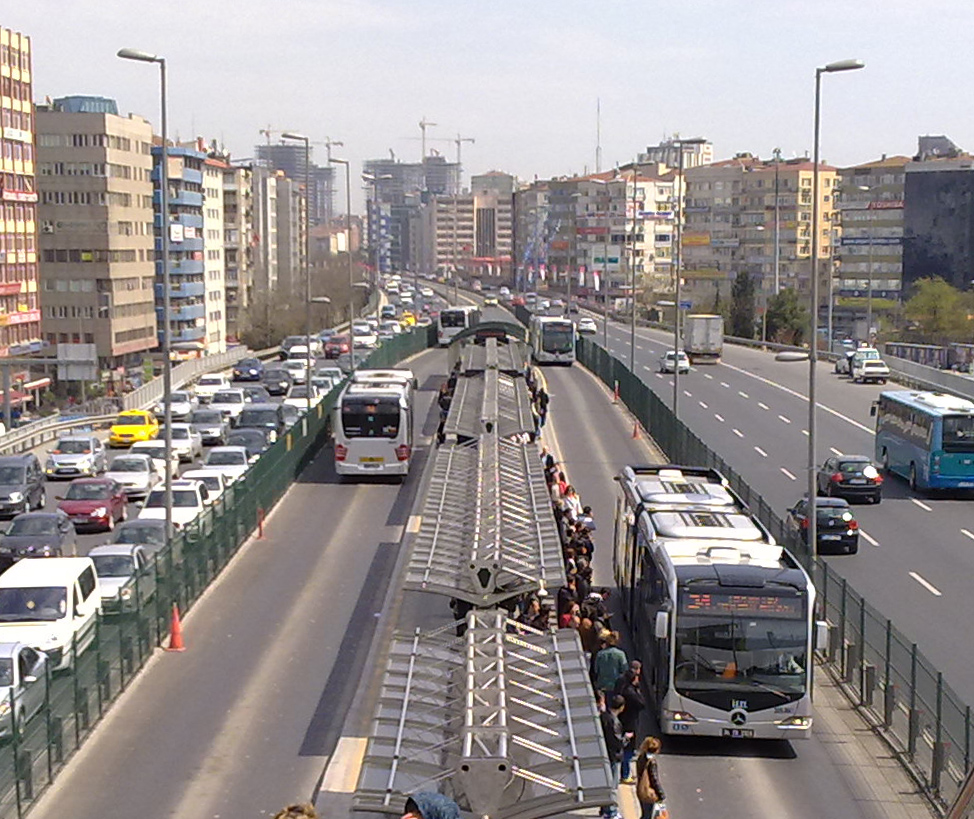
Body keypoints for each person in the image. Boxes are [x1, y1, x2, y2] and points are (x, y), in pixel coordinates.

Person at [614, 660, 646, 783]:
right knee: (628, 749)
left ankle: (624, 772)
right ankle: (625, 774)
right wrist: (637, 689)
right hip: (630, 721)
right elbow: (642, 703)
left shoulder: (621, 682)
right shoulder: (631, 692)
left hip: (622, 718)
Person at [599, 695, 626, 818]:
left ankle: (605, 809)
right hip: (614, 756)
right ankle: (611, 812)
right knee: (612, 786)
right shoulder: (614, 721)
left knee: (606, 784)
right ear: (621, 707)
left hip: (605, 753)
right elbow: (618, 741)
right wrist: (627, 738)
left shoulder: (604, 716)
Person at [634, 737, 666, 819]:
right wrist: (661, 794)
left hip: (640, 789)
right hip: (648, 793)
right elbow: (654, 779)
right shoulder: (652, 762)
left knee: (644, 814)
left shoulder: (641, 757)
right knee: (648, 815)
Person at [593, 631, 628, 697]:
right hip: (615, 685)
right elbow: (625, 670)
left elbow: (596, 670)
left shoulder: (600, 654)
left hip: (602, 684)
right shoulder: (620, 654)